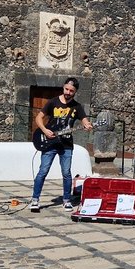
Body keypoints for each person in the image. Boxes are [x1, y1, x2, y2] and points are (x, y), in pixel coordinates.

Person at [31, 77, 92, 212]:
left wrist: (87, 125)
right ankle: (35, 199)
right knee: (43, 171)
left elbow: (84, 120)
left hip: (66, 145)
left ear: (75, 92)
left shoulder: (77, 107)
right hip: (50, 142)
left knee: (66, 173)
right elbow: (38, 117)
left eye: (71, 91)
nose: (68, 92)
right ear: (63, 87)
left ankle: (66, 200)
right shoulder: (53, 102)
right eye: (66, 89)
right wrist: (45, 130)